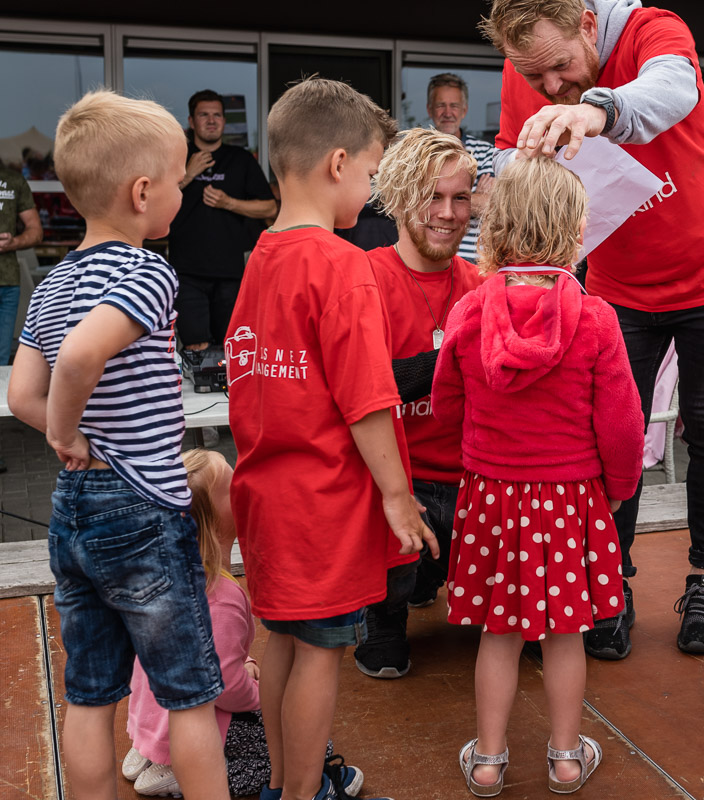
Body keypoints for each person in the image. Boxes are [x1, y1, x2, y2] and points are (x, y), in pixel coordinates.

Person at [485, 0, 704, 661]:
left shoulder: (652, 30)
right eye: (535, 77)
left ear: (585, 22)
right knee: (616, 433)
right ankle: (613, 584)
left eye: (560, 68)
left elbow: (670, 89)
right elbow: (509, 151)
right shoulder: (527, 63)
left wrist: (593, 111)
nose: (550, 86)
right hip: (618, 282)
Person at [8, 90, 229, 800]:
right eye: (175, 181)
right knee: (189, 697)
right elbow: (79, 358)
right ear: (142, 193)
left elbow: (22, 394)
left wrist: (65, 437)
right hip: (142, 508)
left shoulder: (54, 282)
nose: (181, 193)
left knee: (91, 695)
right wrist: (69, 429)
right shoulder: (146, 272)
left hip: (74, 507)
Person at [223, 77, 434, 800]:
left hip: (266, 492)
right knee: (321, 653)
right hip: (326, 501)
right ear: (338, 163)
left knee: (282, 640)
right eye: (373, 174)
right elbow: (369, 398)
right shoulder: (343, 263)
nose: (372, 193)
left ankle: (285, 782)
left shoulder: (259, 259)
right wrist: (399, 497)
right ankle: (307, 789)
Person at [431, 157, 643, 796]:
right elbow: (623, 425)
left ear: (494, 234)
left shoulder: (470, 313)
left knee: (498, 633)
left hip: (492, 496)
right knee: (563, 633)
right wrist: (620, 487)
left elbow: (445, 404)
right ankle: (566, 757)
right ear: (576, 234)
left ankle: (490, 762)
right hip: (569, 497)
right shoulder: (597, 319)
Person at [121, 449, 348, 797]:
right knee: (306, 746)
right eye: (232, 485)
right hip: (191, 727)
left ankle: (147, 751)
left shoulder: (161, 578)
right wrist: (261, 697)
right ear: (214, 521)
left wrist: (244, 662)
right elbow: (225, 684)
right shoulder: (220, 596)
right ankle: (177, 770)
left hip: (151, 717)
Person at [354, 128, 485, 678]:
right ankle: (383, 614)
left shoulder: (480, 283)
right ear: (403, 196)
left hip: (470, 479)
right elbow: (359, 387)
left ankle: (432, 575)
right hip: (394, 482)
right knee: (395, 591)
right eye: (434, 196)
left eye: (460, 198)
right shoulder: (365, 276)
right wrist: (446, 365)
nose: (449, 213)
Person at [170, 89, 276, 352]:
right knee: (196, 346)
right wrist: (188, 175)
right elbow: (151, 201)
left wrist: (229, 202)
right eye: (203, 115)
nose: (211, 120)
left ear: (224, 121)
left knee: (231, 348)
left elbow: (270, 208)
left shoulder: (240, 159)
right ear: (191, 121)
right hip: (187, 273)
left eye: (217, 115)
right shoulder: (177, 158)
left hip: (230, 273)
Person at [426, 73, 496, 263]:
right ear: (429, 109)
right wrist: (473, 198)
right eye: (441, 105)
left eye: (454, 106)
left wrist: (433, 196)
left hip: (475, 261)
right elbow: (411, 202)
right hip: (429, 258)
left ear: (464, 110)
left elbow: (495, 205)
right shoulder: (418, 153)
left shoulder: (486, 152)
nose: (447, 112)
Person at [0, 166, 42, 364]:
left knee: (1, 358)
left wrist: (13, 242)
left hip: (7, 282)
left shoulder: (13, 181)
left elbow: (35, 231)